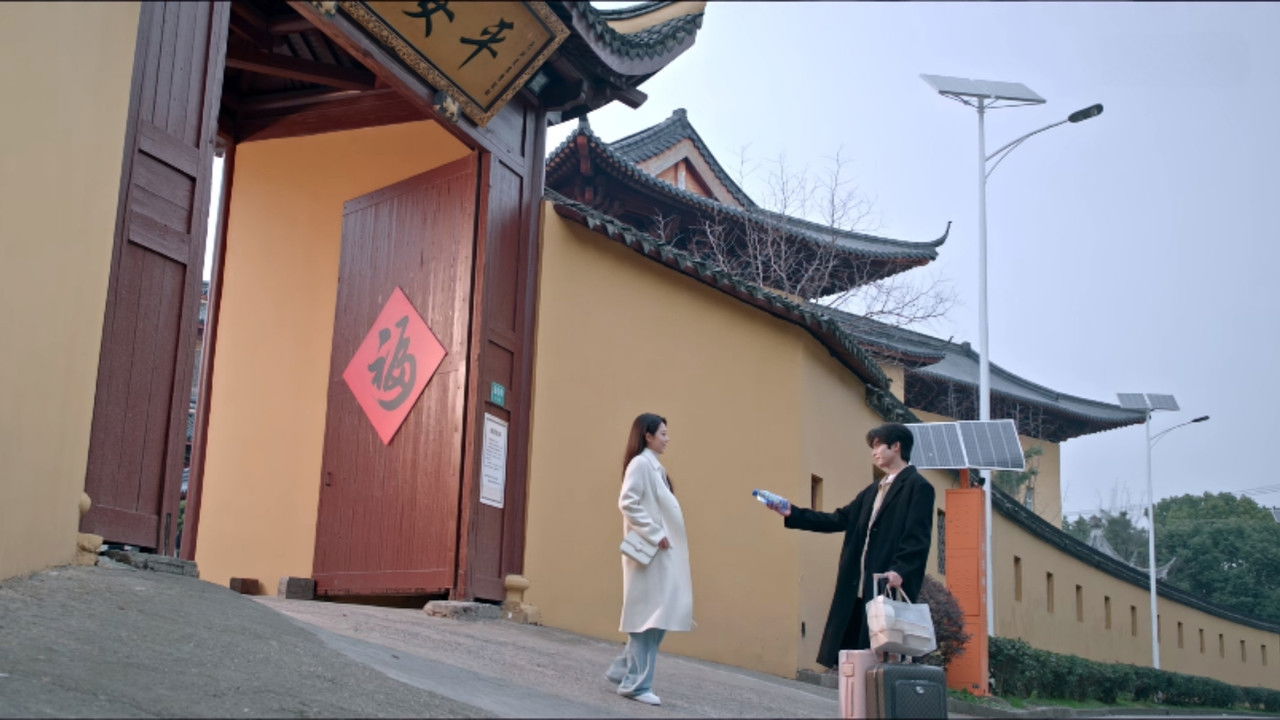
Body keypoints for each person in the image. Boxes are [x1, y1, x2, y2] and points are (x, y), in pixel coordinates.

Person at [770, 422, 934, 668]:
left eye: (878, 446)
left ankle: (876, 693)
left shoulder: (918, 487)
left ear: (896, 446)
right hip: (857, 583)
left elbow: (917, 537)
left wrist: (901, 570)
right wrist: (792, 512)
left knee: (882, 655)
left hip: (886, 582)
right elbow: (839, 519)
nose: (874, 453)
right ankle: (856, 693)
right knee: (855, 656)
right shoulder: (873, 490)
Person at [604, 413, 694, 706]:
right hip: (651, 551)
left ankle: (624, 669)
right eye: (663, 434)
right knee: (650, 616)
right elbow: (627, 502)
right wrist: (655, 533)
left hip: (660, 552)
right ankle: (636, 685)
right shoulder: (641, 464)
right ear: (648, 435)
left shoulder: (653, 466)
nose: (667, 439)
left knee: (657, 613)